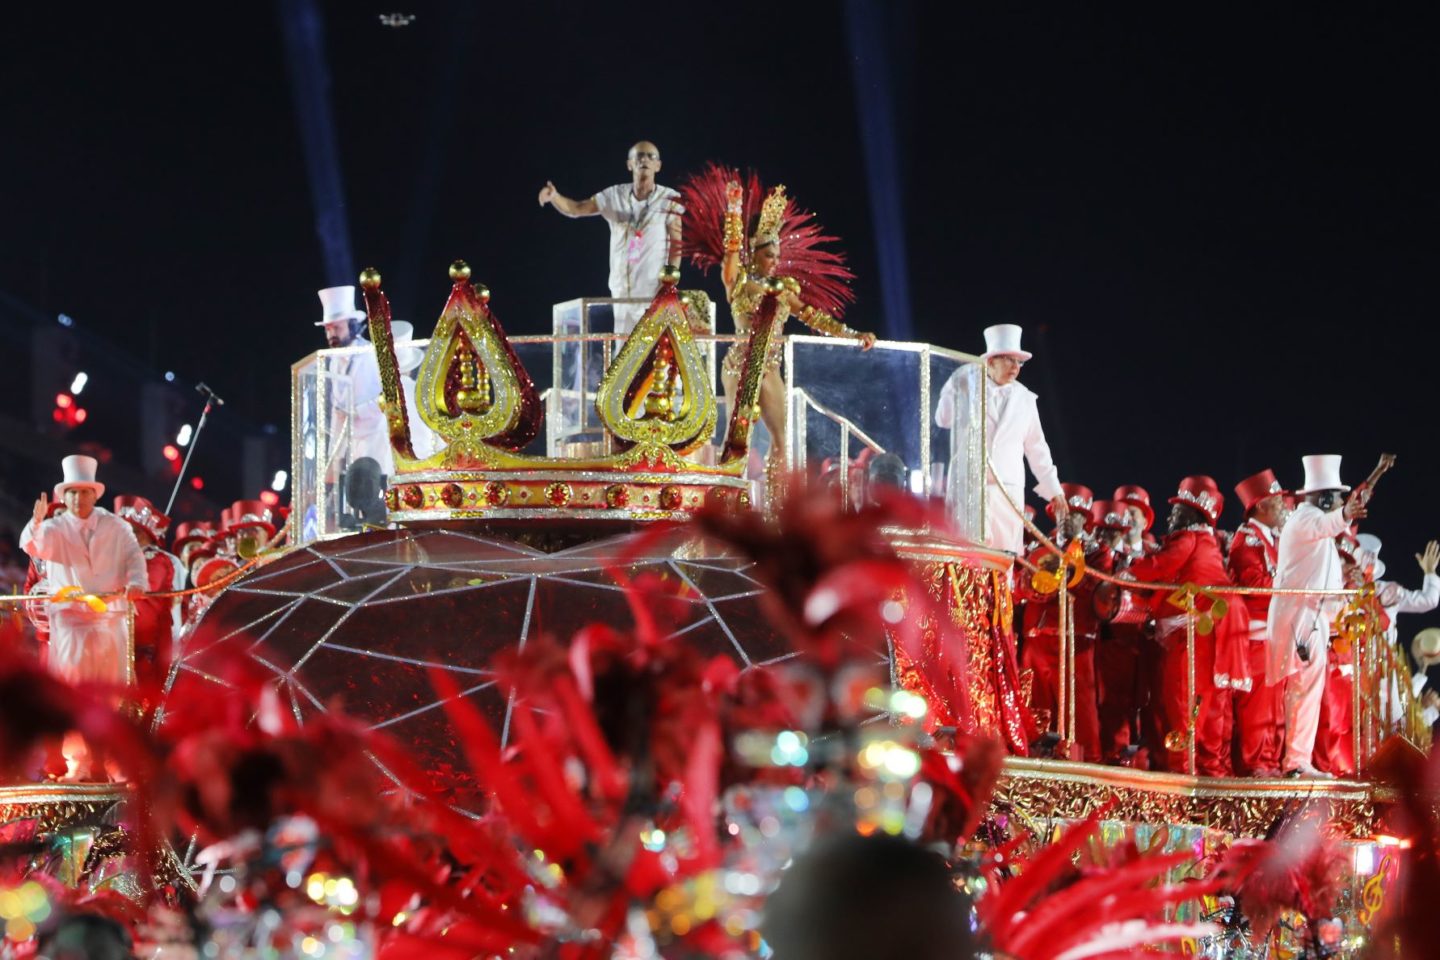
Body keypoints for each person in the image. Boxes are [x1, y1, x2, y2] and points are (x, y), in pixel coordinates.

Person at [679, 166, 875, 503]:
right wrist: (734, 209)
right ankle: (727, 502)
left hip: (769, 366)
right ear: (754, 252)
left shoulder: (784, 289)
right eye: (769, 254)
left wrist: (852, 334)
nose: (774, 261)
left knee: (782, 439)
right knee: (737, 437)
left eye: (778, 256)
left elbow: (813, 316)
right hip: (740, 364)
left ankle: (775, 505)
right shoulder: (738, 281)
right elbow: (730, 252)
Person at [1125, 476, 1248, 775]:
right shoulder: (1208, 542)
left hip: (1192, 632)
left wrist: (1129, 573)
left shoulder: (1188, 538)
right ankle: (1210, 772)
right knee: (1210, 704)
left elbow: (1163, 565)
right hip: (1213, 628)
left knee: (1183, 700)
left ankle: (1183, 774)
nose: (1171, 516)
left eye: (1178, 510)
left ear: (1192, 515)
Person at [1267, 455, 1366, 778]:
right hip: (1301, 620)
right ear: (1324, 499)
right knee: (1302, 689)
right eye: (1337, 498)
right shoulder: (1305, 520)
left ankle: (1299, 761)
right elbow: (1329, 524)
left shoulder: (1312, 525)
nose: (1339, 504)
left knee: (1306, 689)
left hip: (1312, 619)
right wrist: (1345, 514)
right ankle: (1296, 763)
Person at [935, 324, 1066, 556]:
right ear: (991, 361)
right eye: (1009, 360)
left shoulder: (1025, 399)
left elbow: (1037, 447)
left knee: (1005, 556)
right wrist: (955, 385)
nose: (1015, 367)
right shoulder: (967, 385)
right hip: (969, 488)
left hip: (1007, 490)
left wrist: (1055, 490)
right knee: (968, 557)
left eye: (1019, 362)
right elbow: (942, 420)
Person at [538, 140, 683, 335]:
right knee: (623, 347)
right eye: (639, 156)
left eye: (651, 156)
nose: (645, 160)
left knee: (653, 347)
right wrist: (555, 196)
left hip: (653, 289)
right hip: (621, 289)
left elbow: (677, 244)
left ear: (658, 165)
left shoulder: (670, 199)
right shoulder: (614, 196)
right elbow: (577, 208)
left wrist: (670, 281)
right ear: (629, 164)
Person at [1017, 484, 1109, 760]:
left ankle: (1084, 764)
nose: (1067, 520)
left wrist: (1070, 557)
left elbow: (1092, 589)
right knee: (1035, 705)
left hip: (1075, 641)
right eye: (1063, 513)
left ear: (1085, 520)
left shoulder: (1098, 553)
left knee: (1079, 711)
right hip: (1038, 638)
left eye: (1074, 515)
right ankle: (1034, 760)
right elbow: (1025, 585)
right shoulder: (1039, 546)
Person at [1225, 469, 1290, 776]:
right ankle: (1256, 763)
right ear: (1261, 506)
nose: (1283, 507)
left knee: (1274, 702)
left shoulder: (1269, 539)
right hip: (1256, 634)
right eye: (1277, 502)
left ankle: (1270, 760)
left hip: (1273, 632)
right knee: (1258, 703)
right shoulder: (1247, 540)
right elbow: (1253, 585)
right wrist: (1290, 585)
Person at [112, 495, 184, 693]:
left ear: (147, 535)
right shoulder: (118, 559)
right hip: (118, 641)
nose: (128, 537)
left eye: (134, 531)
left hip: (145, 646)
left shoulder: (157, 559)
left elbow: (146, 586)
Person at [317, 285, 388, 477]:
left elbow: (387, 398)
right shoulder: (334, 363)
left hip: (375, 439)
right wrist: (333, 458)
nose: (331, 334)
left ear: (353, 326)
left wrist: (356, 411)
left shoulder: (370, 354)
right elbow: (337, 413)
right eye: (328, 329)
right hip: (351, 445)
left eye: (337, 328)